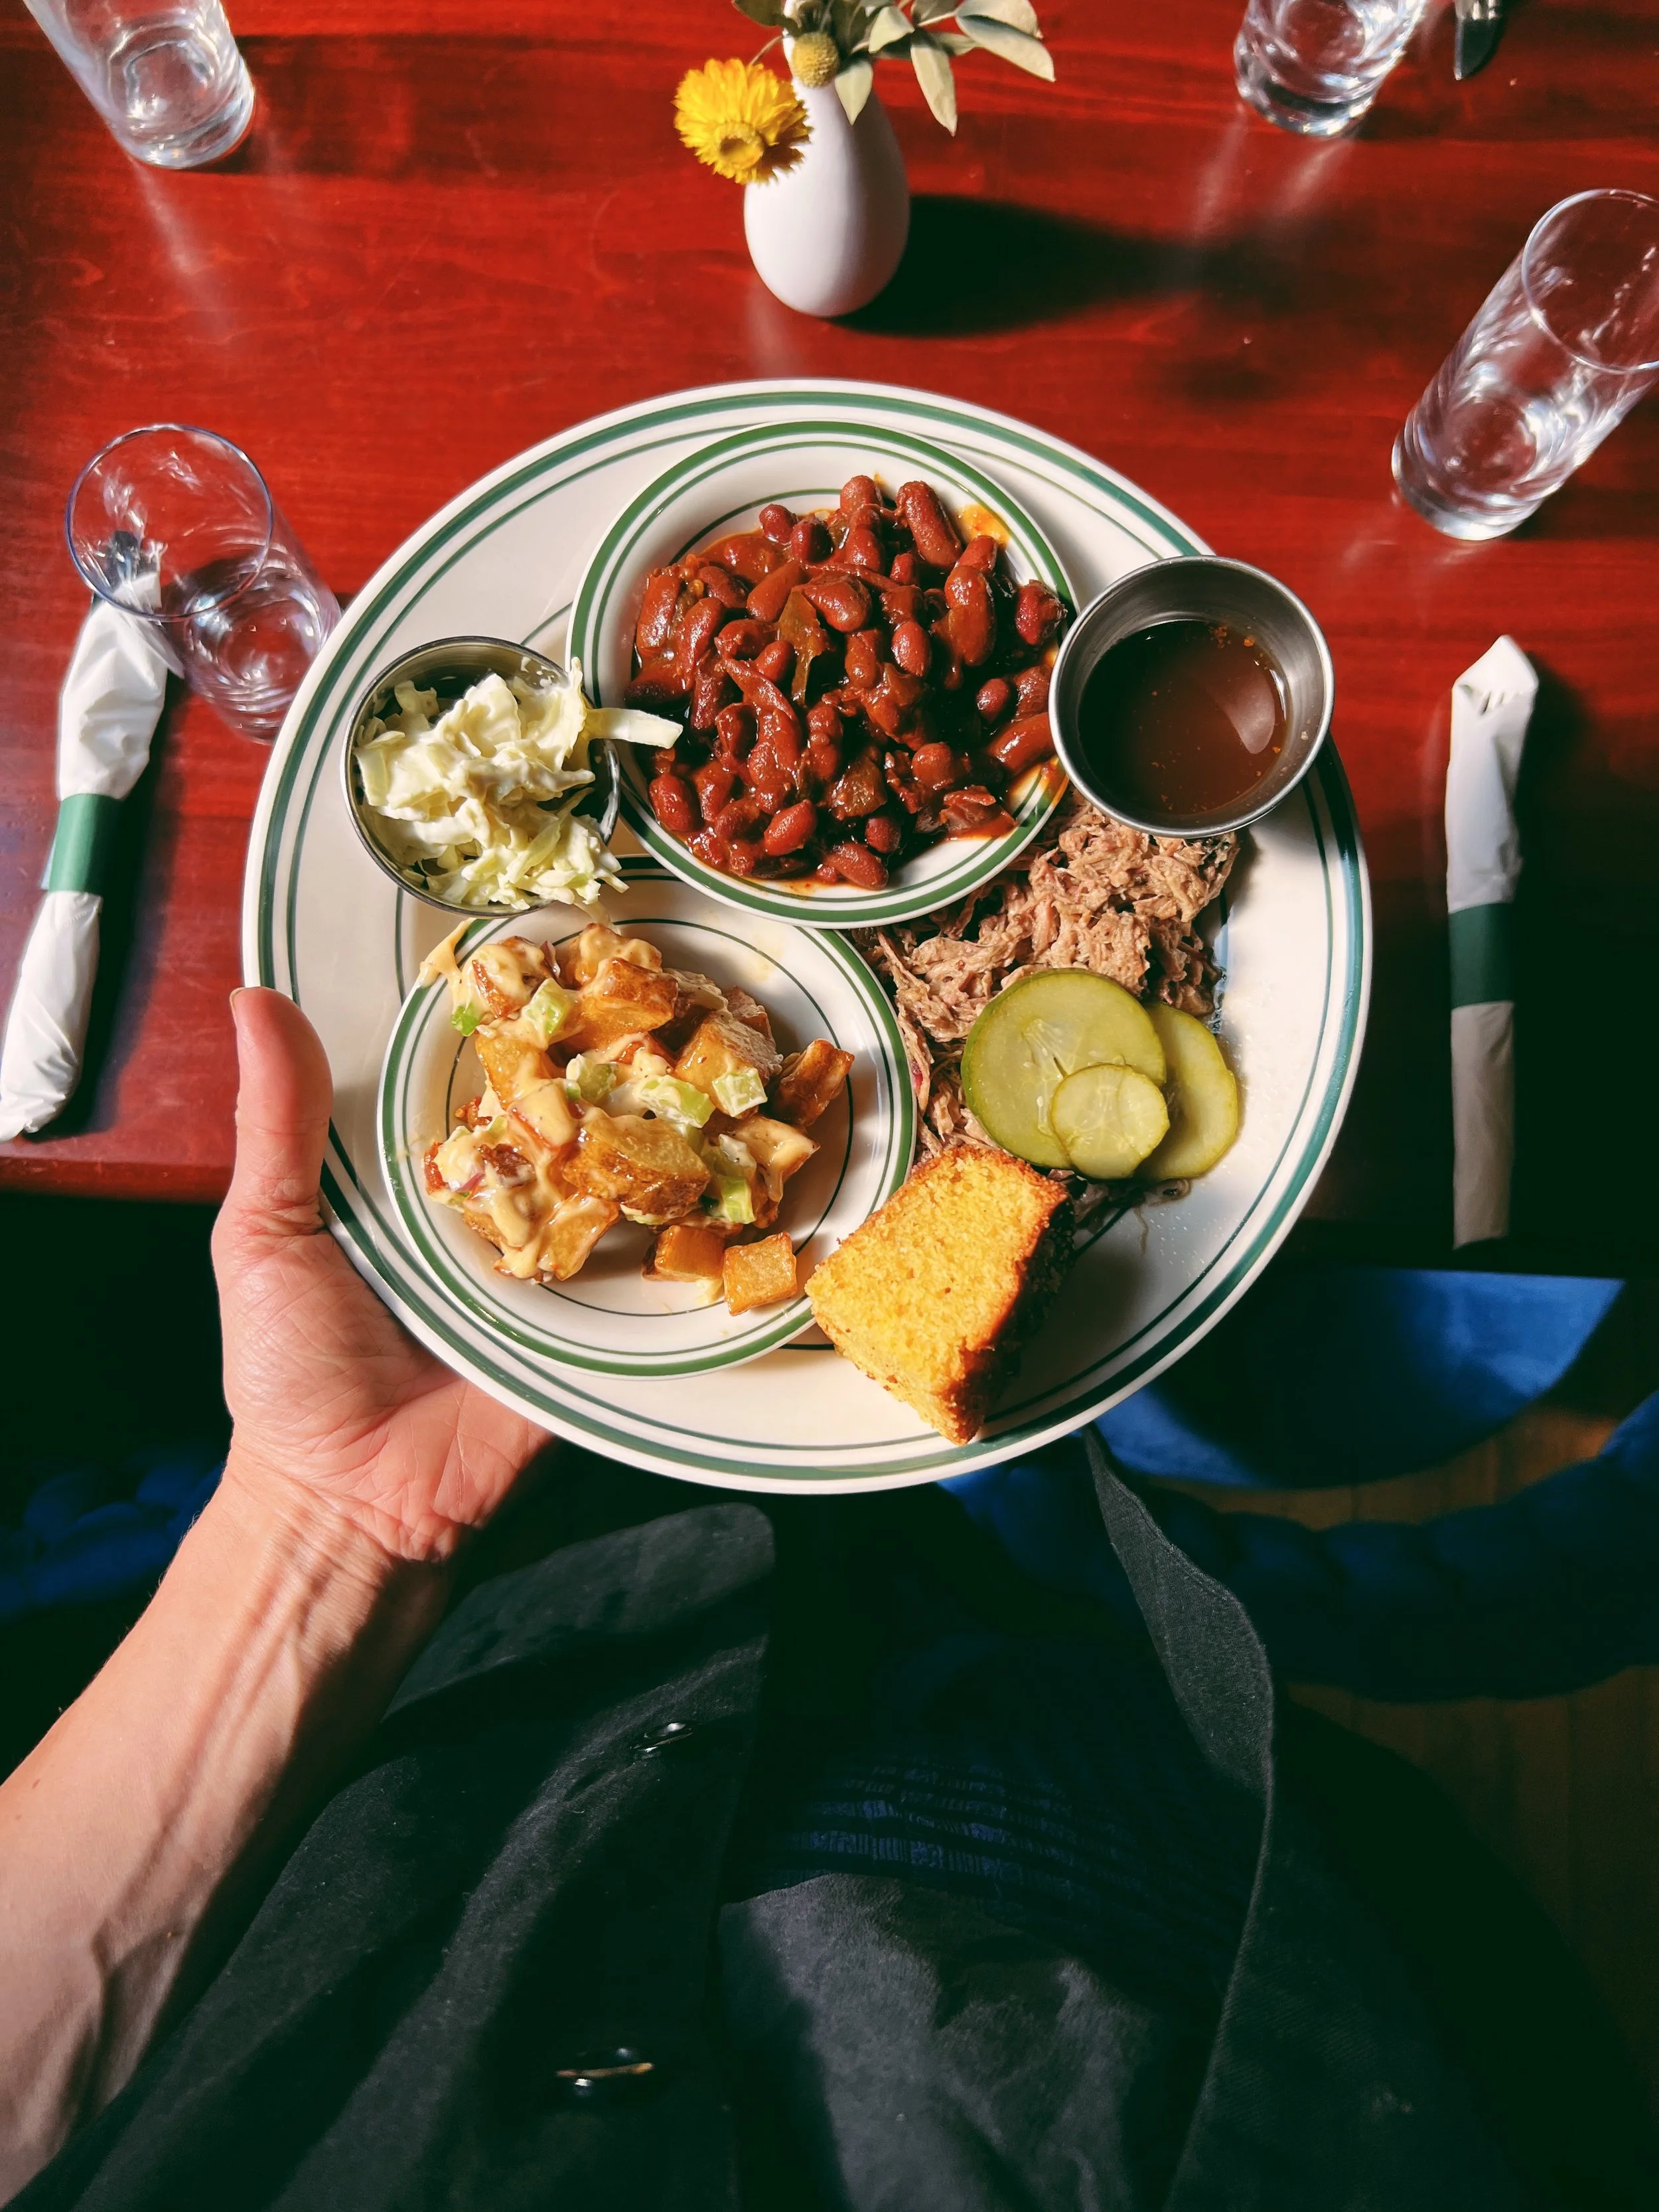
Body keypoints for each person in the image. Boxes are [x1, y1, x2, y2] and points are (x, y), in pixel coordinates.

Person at [0, 992, 1652, 2211]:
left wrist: (317, 1526)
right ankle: (1501, 1596)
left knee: (936, 1514)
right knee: (1114, 1598)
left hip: (489, 1727)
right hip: (1142, 1949)